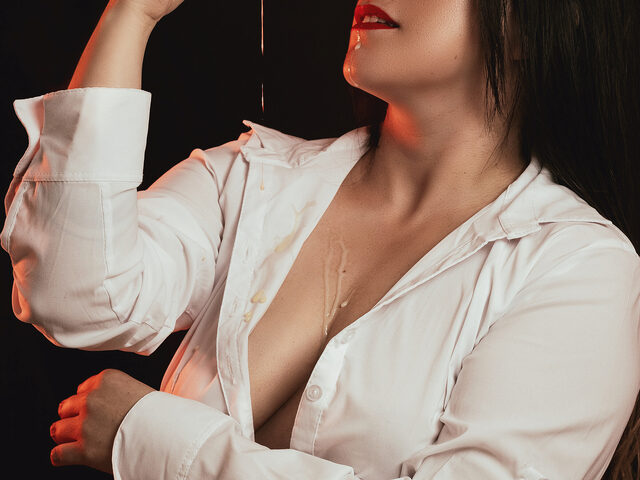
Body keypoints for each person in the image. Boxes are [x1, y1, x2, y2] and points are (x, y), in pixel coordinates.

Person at [2, 0, 639, 478]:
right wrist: (132, 13)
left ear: (530, 23)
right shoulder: (250, 180)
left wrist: (152, 441)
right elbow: (73, 294)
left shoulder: (576, 268)